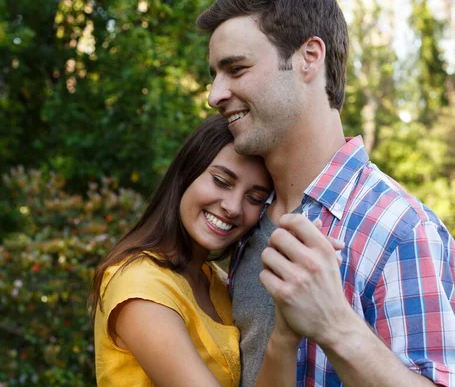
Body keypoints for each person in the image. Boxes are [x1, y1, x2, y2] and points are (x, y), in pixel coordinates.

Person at [197, 0, 455, 386]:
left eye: (236, 69)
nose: (214, 95)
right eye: (215, 76)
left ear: (308, 58)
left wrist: (336, 326)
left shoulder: (402, 229)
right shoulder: (244, 220)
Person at [90, 114, 334, 386]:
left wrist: (285, 334)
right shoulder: (140, 287)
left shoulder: (215, 280)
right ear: (186, 173)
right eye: (221, 181)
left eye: (254, 198)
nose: (233, 207)